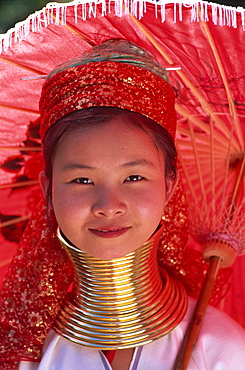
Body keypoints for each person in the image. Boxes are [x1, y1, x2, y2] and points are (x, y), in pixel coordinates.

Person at [0, 39, 244, 370]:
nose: (109, 205)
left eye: (134, 178)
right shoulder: (21, 353)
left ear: (170, 185)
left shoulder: (223, 351)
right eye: (82, 181)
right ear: (47, 190)